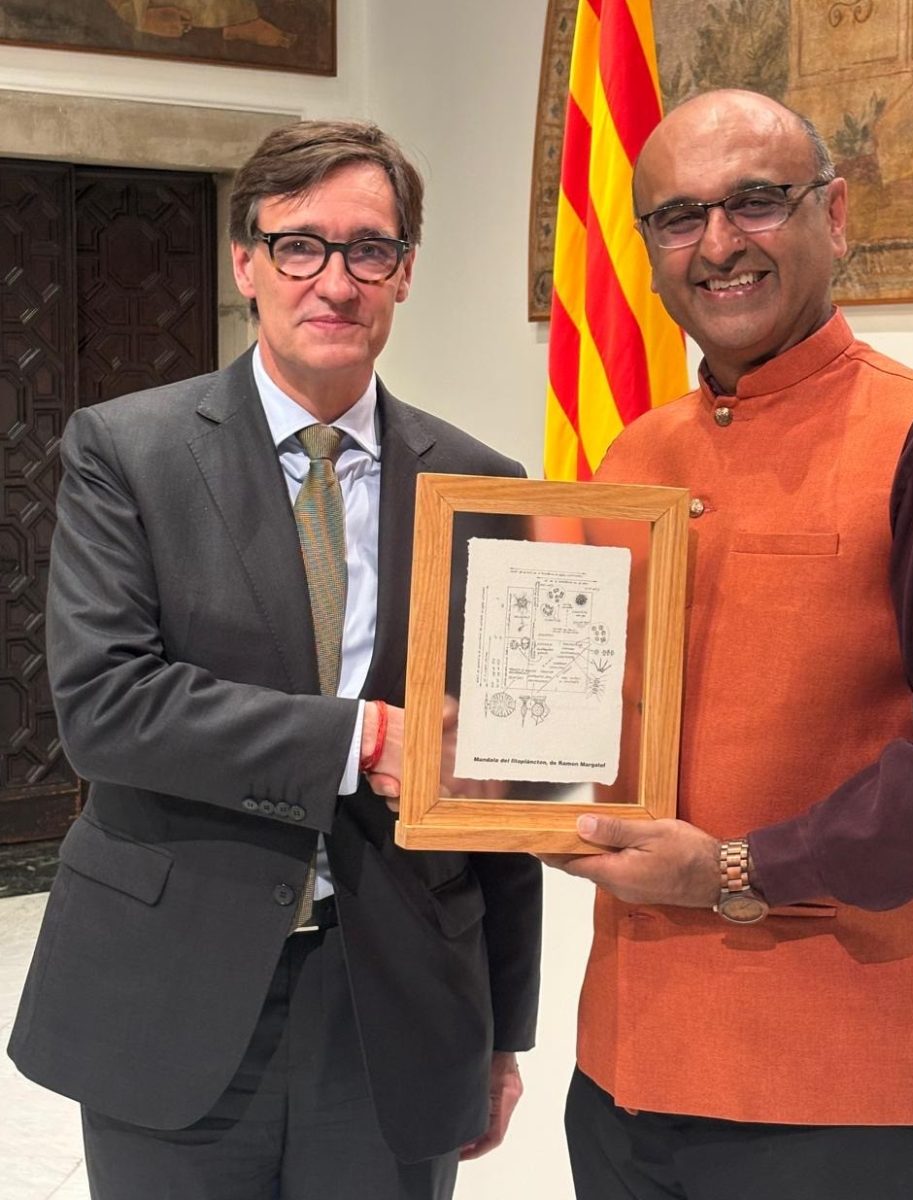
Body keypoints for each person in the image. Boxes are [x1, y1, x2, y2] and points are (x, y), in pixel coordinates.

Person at [8, 119, 541, 1200]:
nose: (333, 280)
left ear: (403, 274)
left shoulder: (483, 487)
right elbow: (107, 706)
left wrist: (499, 1026)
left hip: (393, 995)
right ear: (243, 261)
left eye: (368, 249)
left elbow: (500, 773)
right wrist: (366, 736)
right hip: (176, 987)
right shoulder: (128, 451)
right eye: (299, 245)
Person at [543, 89, 913, 1200]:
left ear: (836, 215)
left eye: (755, 202)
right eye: (678, 217)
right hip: (624, 1064)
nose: (716, 245)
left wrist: (736, 871)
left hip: (832, 1086)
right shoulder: (632, 453)